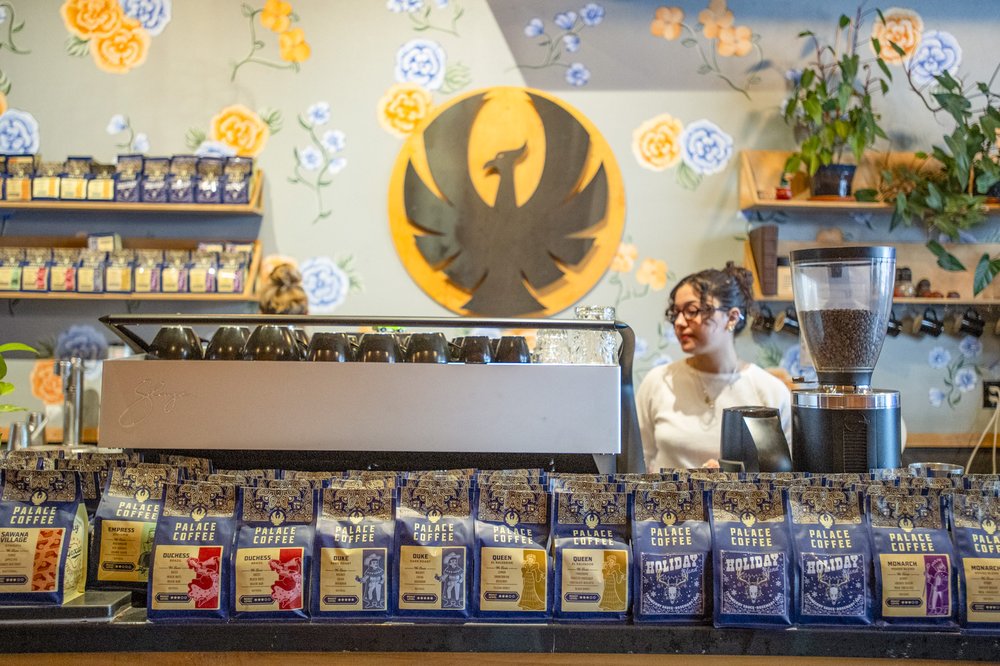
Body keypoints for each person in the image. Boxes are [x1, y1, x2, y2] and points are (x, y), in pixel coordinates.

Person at [637, 262, 792, 472]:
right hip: (667, 503)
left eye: (692, 310)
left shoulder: (770, 390)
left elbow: (786, 476)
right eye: (676, 313)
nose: (680, 322)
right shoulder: (658, 381)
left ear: (732, 317)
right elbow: (637, 464)